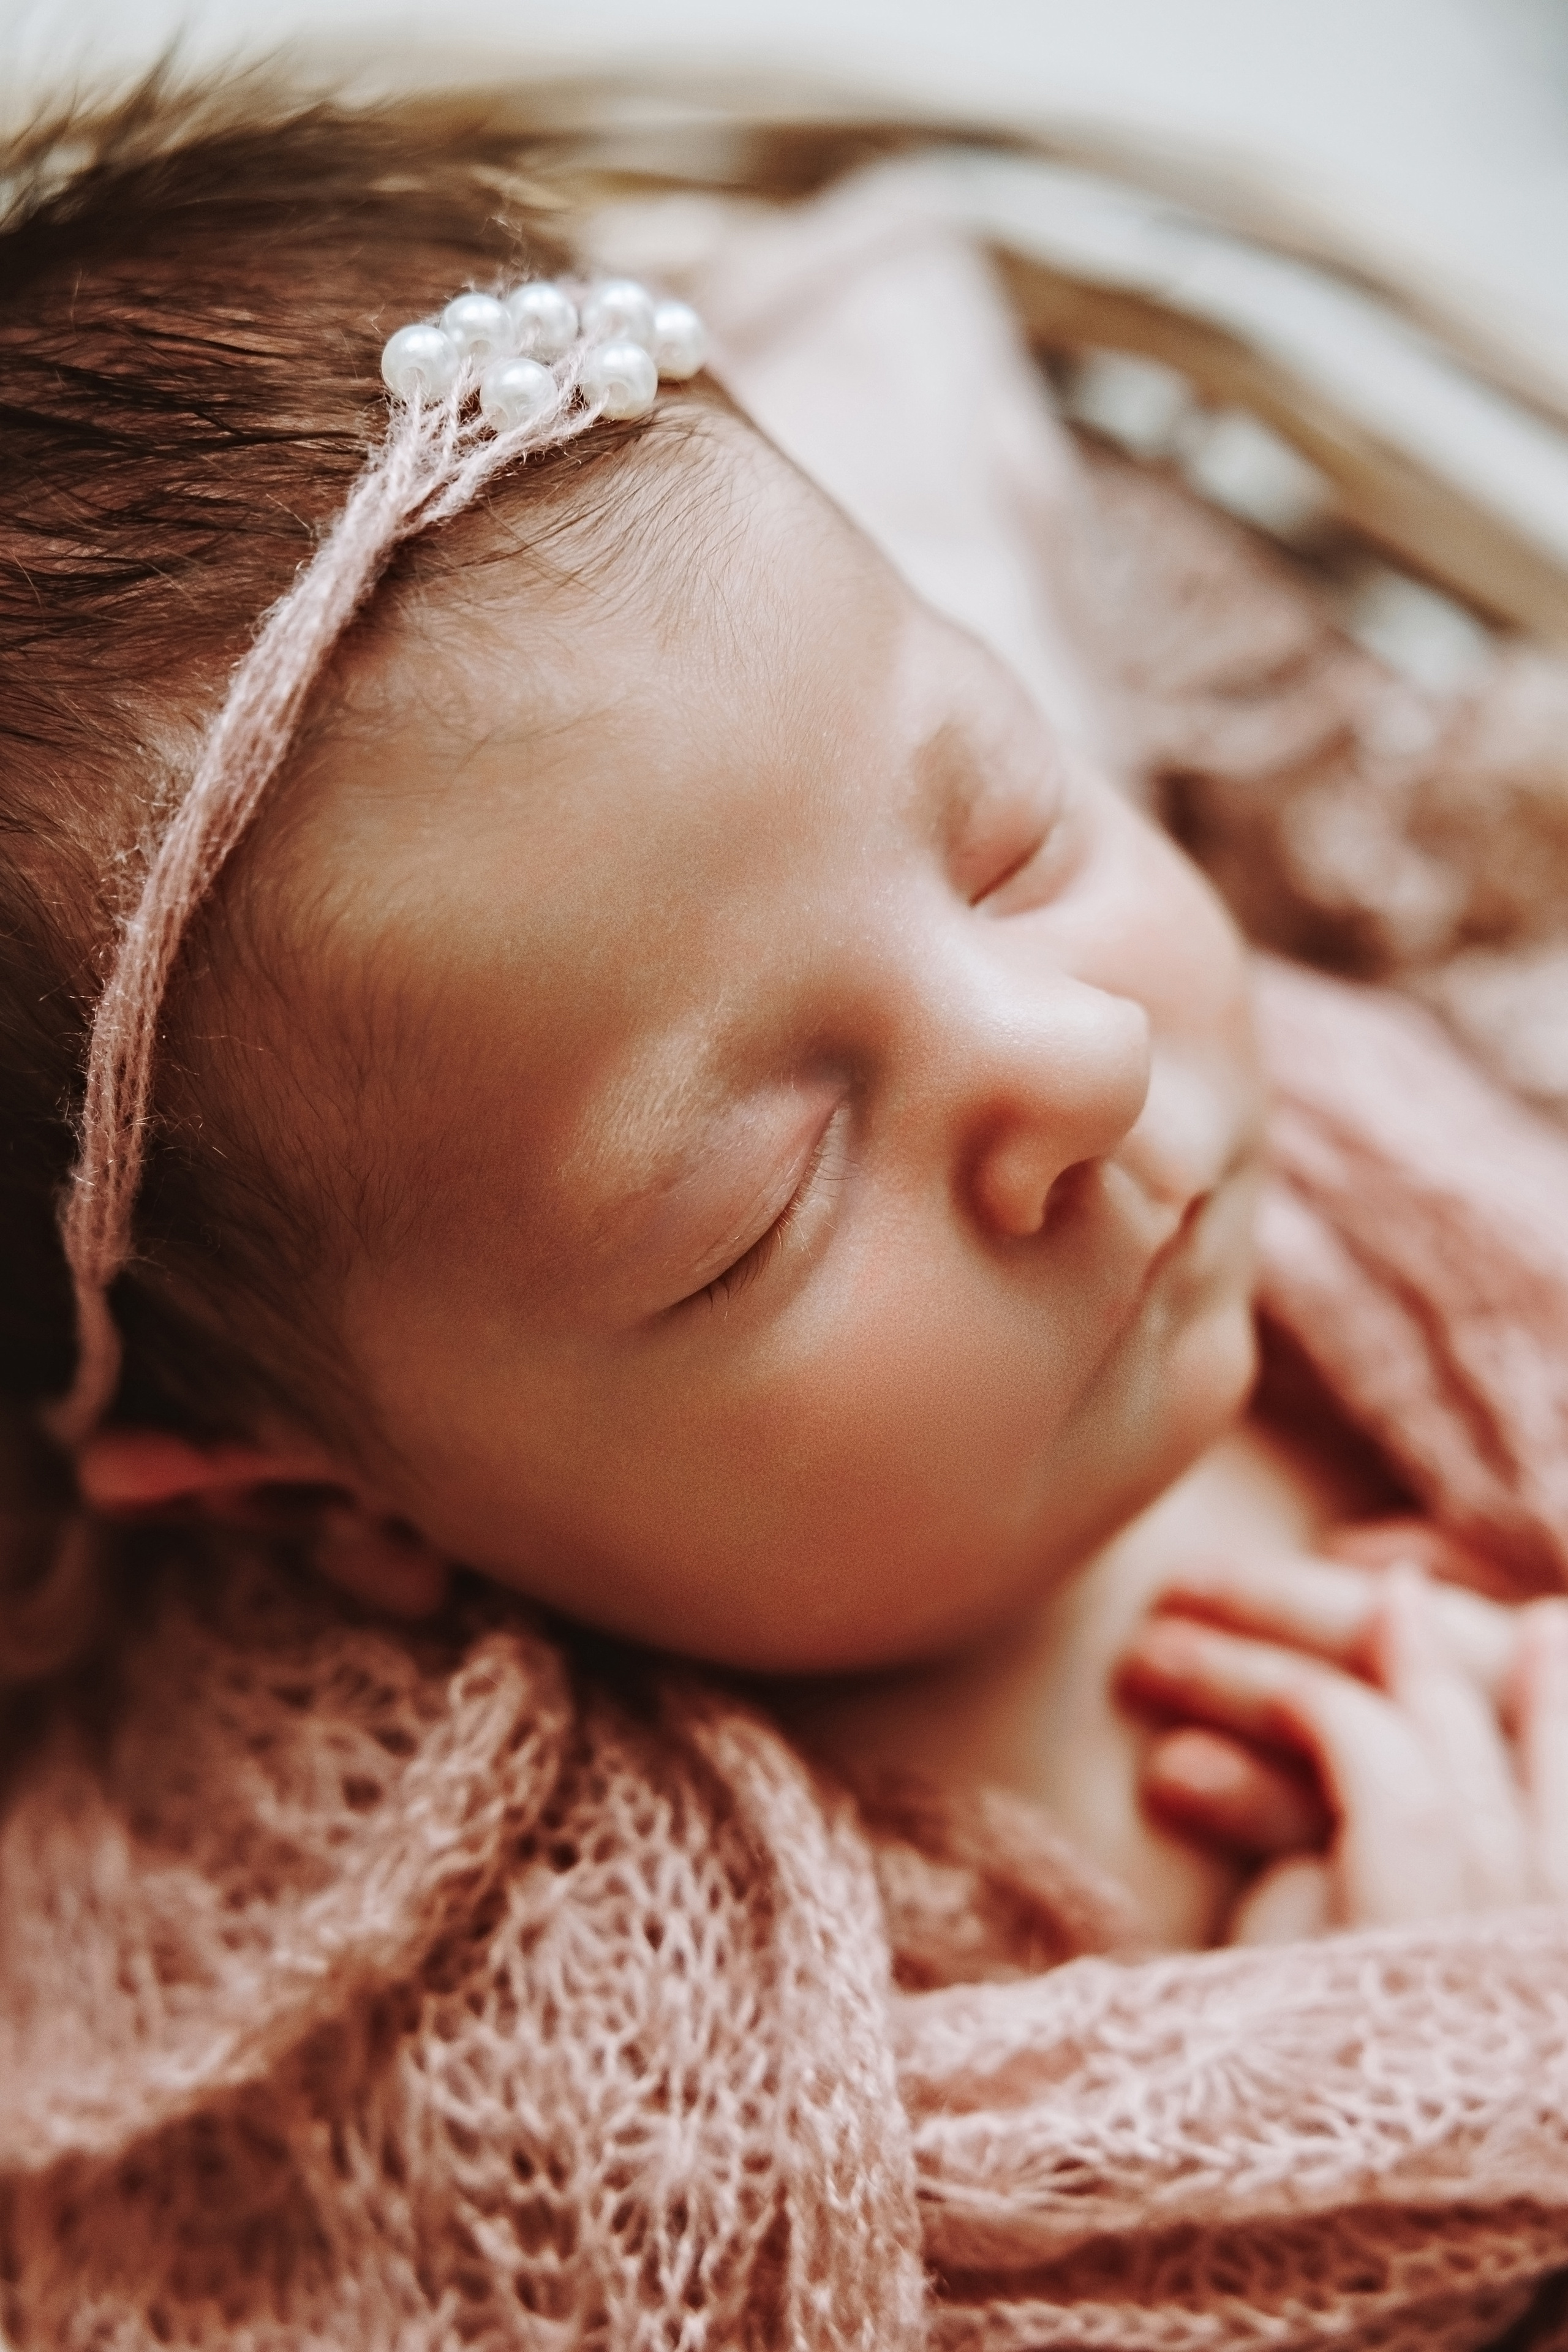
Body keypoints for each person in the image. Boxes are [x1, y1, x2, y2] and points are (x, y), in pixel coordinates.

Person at [3, 77, 1566, 1981]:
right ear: (325, 1495)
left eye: (1014, 839)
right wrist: (1434, 2122)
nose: (1079, 1057)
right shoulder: (598, 2019)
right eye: (768, 1199)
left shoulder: (1384, 1137)